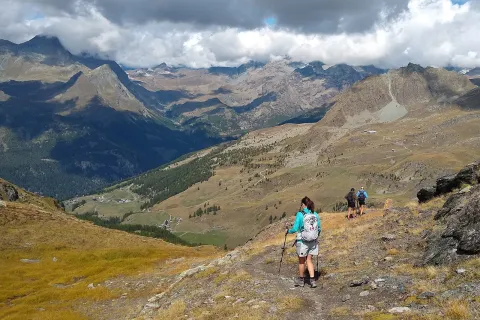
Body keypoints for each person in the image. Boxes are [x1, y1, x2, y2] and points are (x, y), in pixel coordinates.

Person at [286, 196, 321, 288]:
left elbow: (295, 229)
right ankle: (312, 281)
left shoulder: (300, 214)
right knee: (309, 260)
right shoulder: (315, 214)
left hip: (302, 241)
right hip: (313, 241)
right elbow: (319, 228)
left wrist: (288, 231)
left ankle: (301, 280)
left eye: (301, 204)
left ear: (303, 204)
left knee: (301, 261)